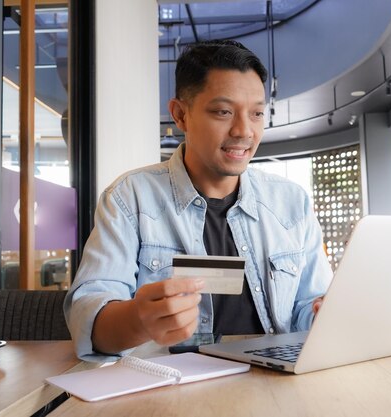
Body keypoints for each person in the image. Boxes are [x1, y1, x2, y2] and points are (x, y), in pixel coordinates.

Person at [64, 40, 332, 361]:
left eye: (257, 113)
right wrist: (139, 319)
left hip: (275, 381)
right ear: (180, 115)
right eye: (223, 112)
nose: (244, 131)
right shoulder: (129, 197)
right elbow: (89, 316)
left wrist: (323, 313)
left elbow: (307, 306)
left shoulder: (291, 202)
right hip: (170, 385)